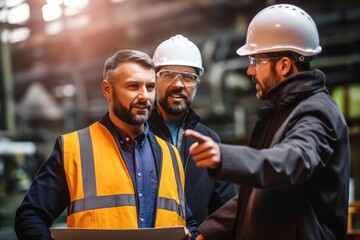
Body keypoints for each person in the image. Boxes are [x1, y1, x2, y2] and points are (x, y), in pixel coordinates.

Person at [185, 4, 350, 240]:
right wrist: (207, 233)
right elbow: (255, 196)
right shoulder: (281, 113)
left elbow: (292, 159)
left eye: (255, 60)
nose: (250, 71)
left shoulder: (317, 111)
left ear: (283, 65)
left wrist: (225, 156)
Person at [14, 49, 198, 240]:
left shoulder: (171, 154)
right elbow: (30, 216)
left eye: (150, 87)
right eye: (133, 86)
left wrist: (189, 234)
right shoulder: (73, 148)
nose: (144, 96)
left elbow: (188, 222)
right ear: (107, 89)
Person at [149, 34, 237, 224]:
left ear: (197, 84)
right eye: (169, 75)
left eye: (188, 77)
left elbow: (225, 207)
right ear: (154, 78)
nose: (179, 84)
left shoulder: (209, 140)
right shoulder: (136, 133)